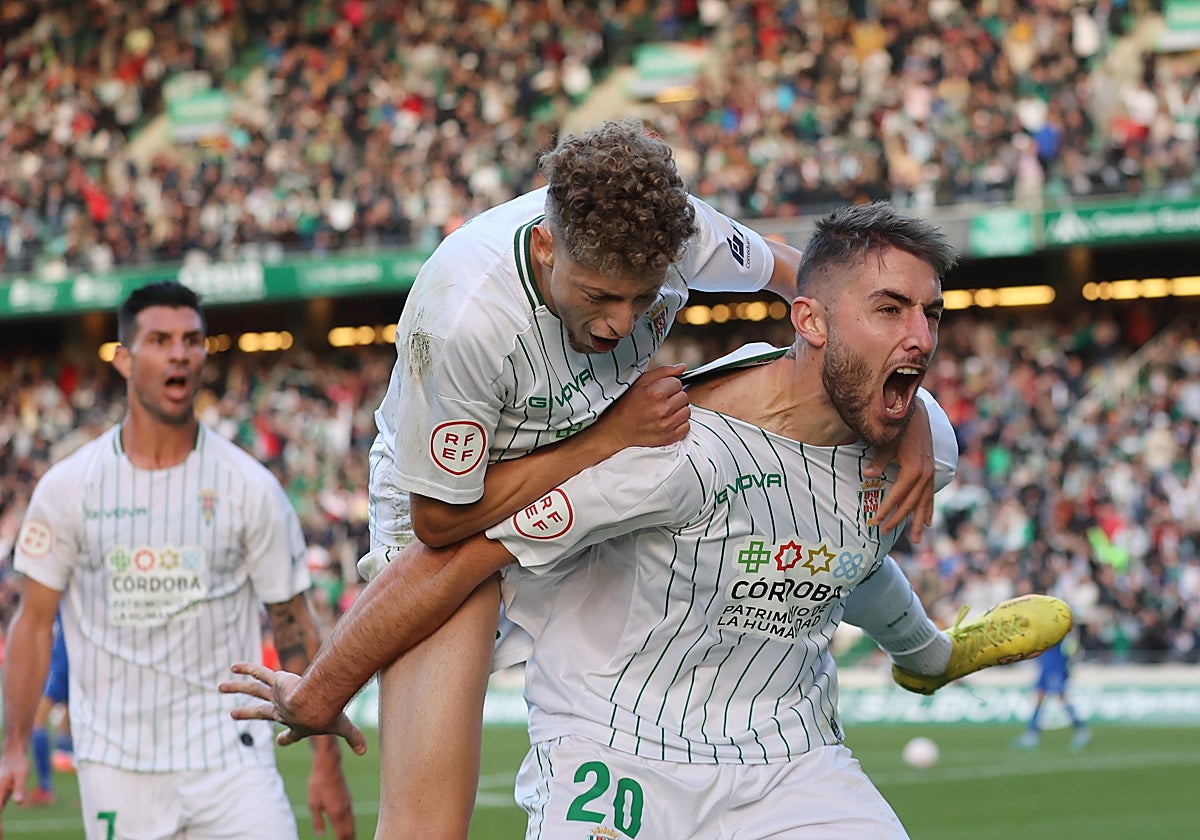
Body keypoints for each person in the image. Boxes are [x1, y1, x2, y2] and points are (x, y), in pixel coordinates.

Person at [225, 202, 1072, 838]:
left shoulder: (916, 442)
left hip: (791, 761)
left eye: (930, 315)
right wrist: (322, 689)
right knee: (424, 828)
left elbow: (836, 554)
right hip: (613, 745)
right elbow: (451, 543)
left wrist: (928, 647)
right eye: (891, 311)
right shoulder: (489, 334)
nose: (921, 337)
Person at [348, 118, 954, 837]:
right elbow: (443, 527)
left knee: (789, 526)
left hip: (610, 451)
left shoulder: (681, 227)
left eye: (642, 298)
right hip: (459, 498)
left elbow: (821, 290)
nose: (619, 325)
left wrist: (900, 409)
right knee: (427, 825)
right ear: (547, 247)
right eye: (599, 295)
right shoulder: (463, 316)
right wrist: (607, 437)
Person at [0, 282, 355, 839]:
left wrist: (326, 764)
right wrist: (15, 745)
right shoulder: (68, 488)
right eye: (159, 340)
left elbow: (294, 629)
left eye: (191, 340)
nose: (179, 353)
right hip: (118, 769)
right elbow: (33, 624)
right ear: (123, 358)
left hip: (232, 764)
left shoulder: (250, 487)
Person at [24, 611, 74, 807]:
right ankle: (96, 793)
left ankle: (45, 788)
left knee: (37, 720)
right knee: (72, 726)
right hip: (74, 657)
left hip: (63, 659)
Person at [1013, 636, 1091, 750]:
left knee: (1061, 698)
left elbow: (1068, 645)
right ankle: (1032, 735)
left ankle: (1081, 731)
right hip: (1045, 665)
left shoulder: (1057, 627)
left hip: (1055, 665)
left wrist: (1066, 664)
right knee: (1040, 699)